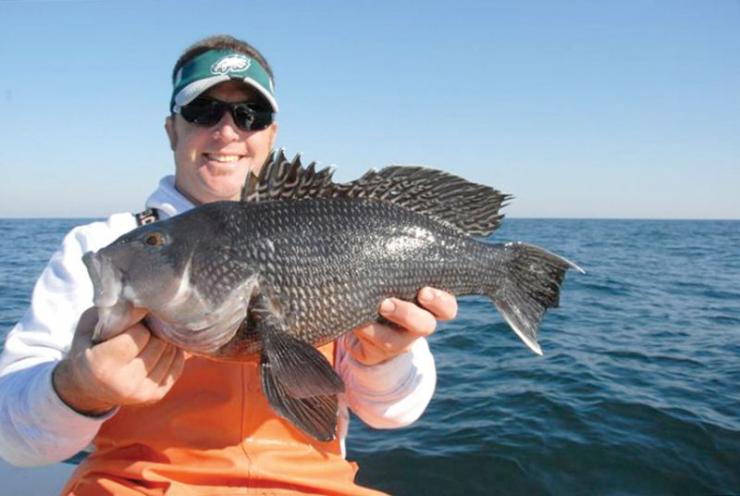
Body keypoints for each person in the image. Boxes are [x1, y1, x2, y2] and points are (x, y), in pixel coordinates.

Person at [0, 35, 457, 495]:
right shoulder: (106, 248)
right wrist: (79, 387)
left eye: (250, 115)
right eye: (204, 111)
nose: (227, 132)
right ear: (172, 129)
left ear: (271, 135)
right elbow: (12, 439)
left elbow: (395, 413)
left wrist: (384, 357)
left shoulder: (334, 233)